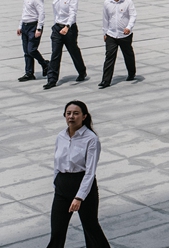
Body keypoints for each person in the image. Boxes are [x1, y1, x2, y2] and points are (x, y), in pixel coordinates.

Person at [47, 100, 109, 248]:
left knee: (91, 229)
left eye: (76, 113)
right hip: (62, 187)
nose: (71, 116)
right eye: (68, 113)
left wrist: (79, 197)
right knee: (57, 231)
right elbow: (57, 162)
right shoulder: (61, 136)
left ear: (84, 116)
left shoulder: (91, 139)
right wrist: (57, 183)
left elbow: (90, 171)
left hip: (82, 186)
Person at [45, 0, 87, 90]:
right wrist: (56, 26)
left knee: (73, 51)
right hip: (57, 28)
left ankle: (82, 71)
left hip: (69, 29)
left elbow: (73, 14)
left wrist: (67, 26)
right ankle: (52, 79)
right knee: (55, 54)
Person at [99, 0, 136, 89]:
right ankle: (105, 80)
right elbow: (105, 18)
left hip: (124, 35)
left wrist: (129, 27)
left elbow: (133, 15)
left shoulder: (128, 2)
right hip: (111, 35)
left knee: (128, 55)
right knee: (109, 57)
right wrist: (105, 32)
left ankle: (131, 73)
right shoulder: (107, 3)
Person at [17, 0, 49, 81]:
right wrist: (20, 26)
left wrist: (39, 28)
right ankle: (29, 73)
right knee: (26, 51)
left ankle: (45, 64)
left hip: (33, 25)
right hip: (25, 25)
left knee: (31, 49)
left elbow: (41, 13)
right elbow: (24, 12)